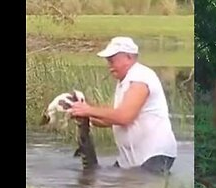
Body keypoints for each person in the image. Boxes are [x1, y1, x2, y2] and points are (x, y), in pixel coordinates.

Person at [69, 36, 177, 174]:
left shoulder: (140, 78)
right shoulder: (126, 80)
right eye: (108, 60)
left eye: (112, 59)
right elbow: (114, 119)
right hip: (131, 159)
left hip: (154, 155)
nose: (109, 64)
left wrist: (88, 110)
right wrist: (85, 118)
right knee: (106, 184)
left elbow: (124, 117)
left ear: (129, 57)